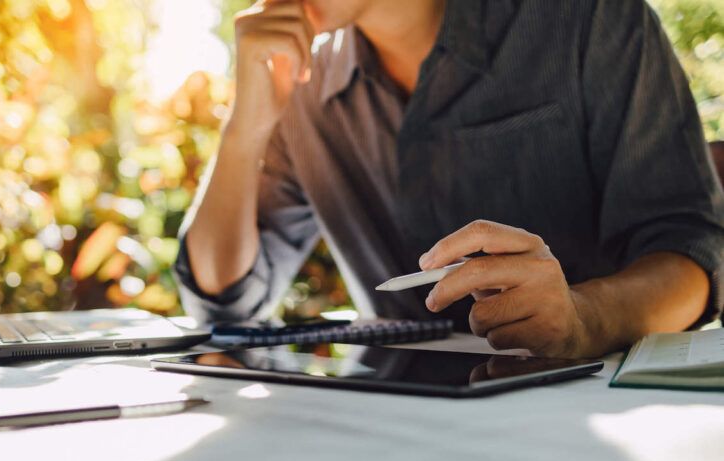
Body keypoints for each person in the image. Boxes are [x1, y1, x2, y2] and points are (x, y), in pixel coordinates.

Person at [174, 0, 724, 358]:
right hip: (389, 427)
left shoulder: (592, 20)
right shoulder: (301, 88)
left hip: (584, 420)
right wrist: (244, 128)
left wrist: (584, 318)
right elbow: (225, 302)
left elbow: (693, 258)